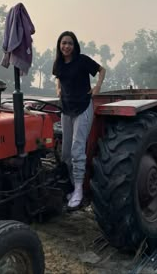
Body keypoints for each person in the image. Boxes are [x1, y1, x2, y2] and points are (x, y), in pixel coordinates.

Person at [52, 31, 106, 210]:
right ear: (59, 45)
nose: (66, 46)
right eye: (63, 43)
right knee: (66, 153)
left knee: (77, 150)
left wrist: (97, 86)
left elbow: (101, 70)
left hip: (83, 107)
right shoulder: (59, 63)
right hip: (66, 110)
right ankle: (74, 186)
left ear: (74, 46)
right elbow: (58, 78)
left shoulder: (82, 60)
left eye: (70, 43)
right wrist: (58, 88)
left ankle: (79, 191)